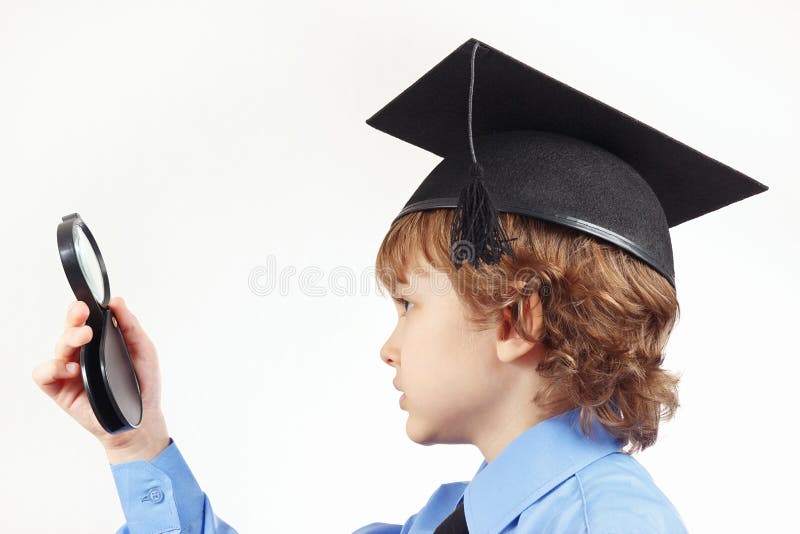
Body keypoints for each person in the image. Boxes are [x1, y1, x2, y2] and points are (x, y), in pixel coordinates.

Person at [32, 38, 767, 533]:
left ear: (516, 319)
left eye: (410, 304)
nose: (389, 347)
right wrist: (137, 443)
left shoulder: (609, 524)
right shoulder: (449, 520)